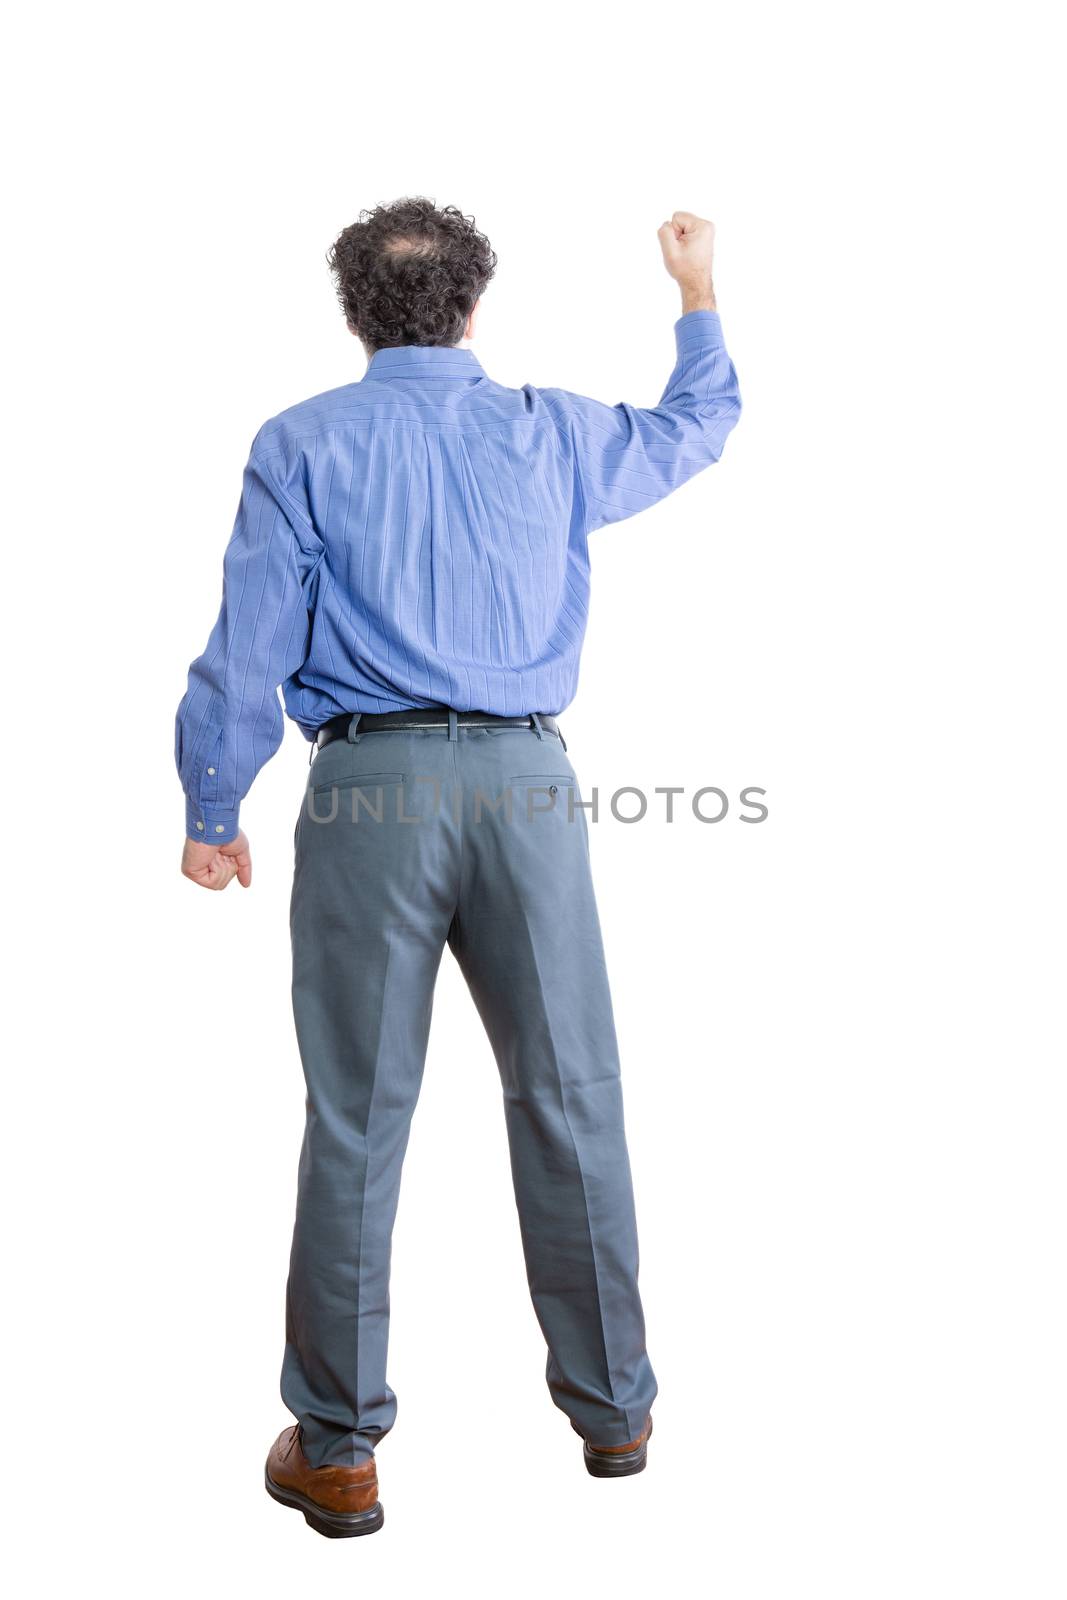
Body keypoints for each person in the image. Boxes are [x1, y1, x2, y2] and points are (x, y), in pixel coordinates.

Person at [175, 197, 741, 1537]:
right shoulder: (551, 431)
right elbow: (699, 429)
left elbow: (250, 638)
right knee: (572, 1093)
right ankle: (615, 1414)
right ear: (475, 307)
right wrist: (698, 289)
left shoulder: (302, 442)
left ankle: (339, 1449)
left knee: (360, 1119)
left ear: (358, 312)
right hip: (528, 788)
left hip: (372, 791)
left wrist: (214, 803)